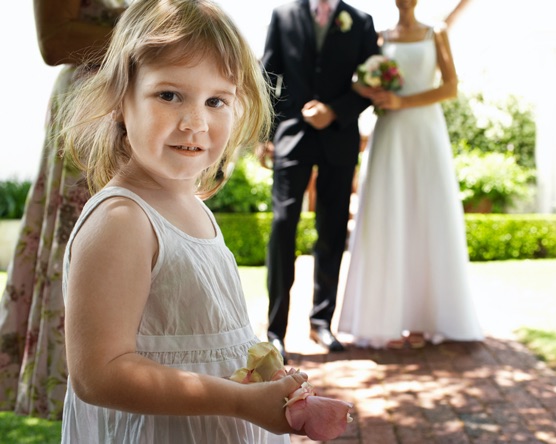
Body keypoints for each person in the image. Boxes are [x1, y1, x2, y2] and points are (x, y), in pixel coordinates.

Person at [56, 0, 309, 441]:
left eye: (216, 101)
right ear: (120, 100)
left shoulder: (192, 206)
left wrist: (258, 377)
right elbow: (98, 373)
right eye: (169, 95)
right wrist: (236, 402)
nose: (195, 122)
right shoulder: (122, 220)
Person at [0, 0, 128, 419]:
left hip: (154, 98)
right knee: (87, 236)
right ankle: (85, 380)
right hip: (93, 110)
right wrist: (155, 37)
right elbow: (53, 43)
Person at [337, 0, 485, 349]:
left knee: (427, 217)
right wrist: (372, 90)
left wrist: (403, 101)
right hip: (389, 133)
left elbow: (450, 87)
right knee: (388, 218)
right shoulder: (378, 36)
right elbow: (357, 83)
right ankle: (385, 319)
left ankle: (423, 319)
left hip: (425, 132)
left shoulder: (437, 33)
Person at [258, 0, 380, 360]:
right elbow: (268, 75)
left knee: (332, 229)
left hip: (339, 138)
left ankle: (321, 322)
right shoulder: (283, 15)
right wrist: (266, 133)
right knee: (283, 225)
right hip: (291, 137)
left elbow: (372, 81)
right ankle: (275, 329)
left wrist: (335, 111)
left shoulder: (360, 21)